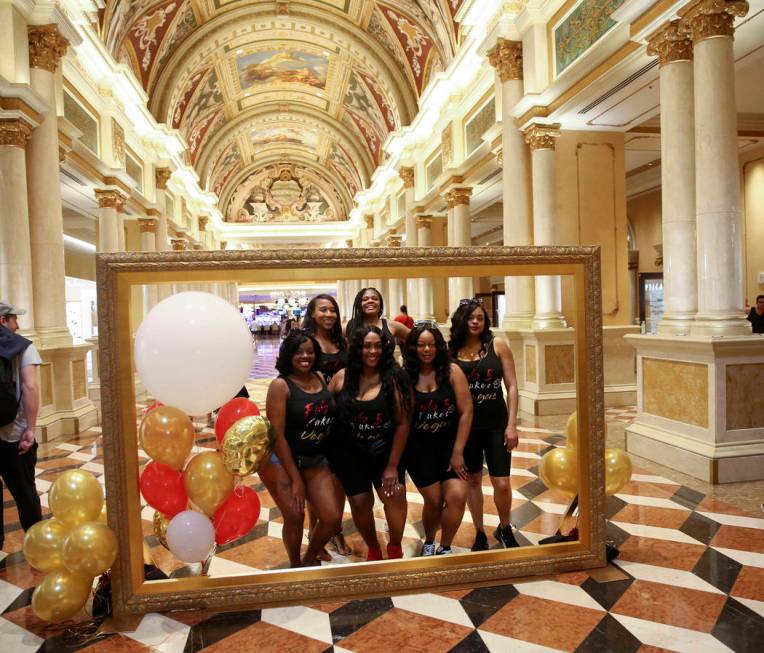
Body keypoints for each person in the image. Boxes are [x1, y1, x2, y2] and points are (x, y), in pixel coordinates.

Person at [329, 326, 411, 560]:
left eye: (377, 345)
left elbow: (403, 424)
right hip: (350, 453)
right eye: (367, 345)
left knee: (394, 495)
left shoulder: (393, 378)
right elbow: (324, 408)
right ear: (357, 348)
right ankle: (373, 547)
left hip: (385, 451)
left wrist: (393, 466)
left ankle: (394, 545)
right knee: (359, 500)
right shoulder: (343, 376)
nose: (372, 350)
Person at [260, 329, 341, 567]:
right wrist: (296, 479)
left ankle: (309, 557)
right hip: (283, 461)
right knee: (295, 516)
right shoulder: (280, 385)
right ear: (288, 355)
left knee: (332, 518)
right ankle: (295, 566)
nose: (305, 356)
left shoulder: (318, 376)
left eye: (310, 352)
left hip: (316, 459)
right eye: (298, 352)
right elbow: (277, 436)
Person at [449, 299, 520, 550]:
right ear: (461, 320)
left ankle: (504, 527)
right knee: (473, 481)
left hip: (497, 425)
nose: (476, 321)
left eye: (480, 317)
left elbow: (511, 386)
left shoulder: (497, 345)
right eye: (470, 317)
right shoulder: (451, 351)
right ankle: (479, 530)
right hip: (466, 430)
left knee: (502, 482)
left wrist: (512, 424)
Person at [403, 326, 472, 556]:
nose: (426, 349)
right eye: (421, 344)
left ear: (438, 347)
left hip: (451, 447)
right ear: (413, 348)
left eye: (431, 344)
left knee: (457, 496)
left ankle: (446, 546)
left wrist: (458, 451)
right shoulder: (406, 376)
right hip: (419, 450)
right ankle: (430, 540)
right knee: (433, 501)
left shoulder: (452, 371)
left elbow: (466, 411)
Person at [301, 294, 352, 557]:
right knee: (316, 480)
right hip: (316, 419)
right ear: (312, 313)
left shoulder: (341, 341)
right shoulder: (305, 342)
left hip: (342, 419)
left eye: (332, 309)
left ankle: (336, 530)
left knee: (339, 479)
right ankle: (315, 532)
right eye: (323, 309)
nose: (329, 314)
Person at [0, 302, 43, 550]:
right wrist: (30, 428)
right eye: (14, 317)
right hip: (13, 436)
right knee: (25, 491)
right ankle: (36, 543)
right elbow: (30, 387)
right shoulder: (24, 347)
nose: (18, 323)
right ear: (3, 320)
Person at [345, 287, 410, 344]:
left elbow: (416, 338)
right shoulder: (350, 325)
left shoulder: (391, 325)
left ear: (380, 304)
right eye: (365, 299)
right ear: (359, 304)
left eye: (375, 299)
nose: (370, 301)